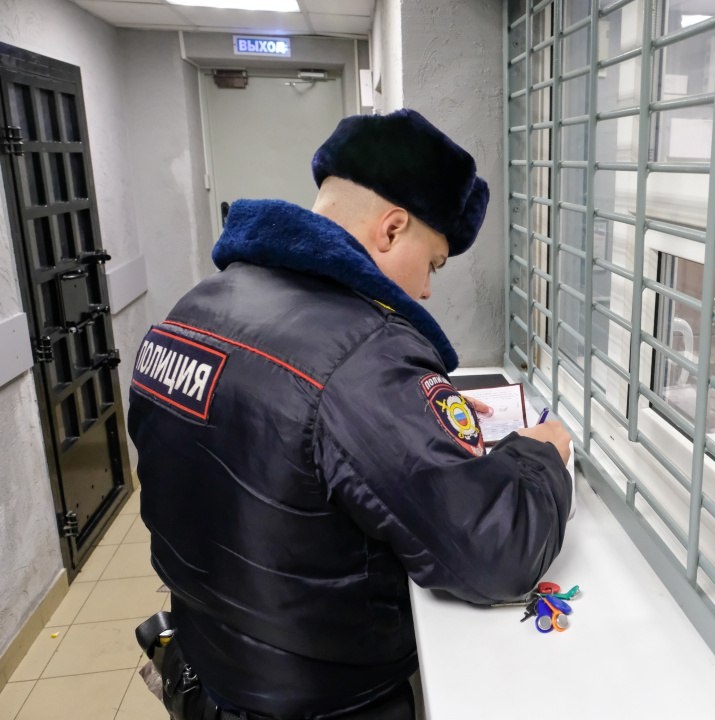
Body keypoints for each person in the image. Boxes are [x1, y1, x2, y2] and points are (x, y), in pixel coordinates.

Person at [127, 109, 573, 720]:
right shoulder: (364, 354)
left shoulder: (193, 309)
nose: (426, 290)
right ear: (392, 229)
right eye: (434, 263)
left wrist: (406, 415)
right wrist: (540, 455)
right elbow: (494, 552)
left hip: (212, 668)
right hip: (324, 702)